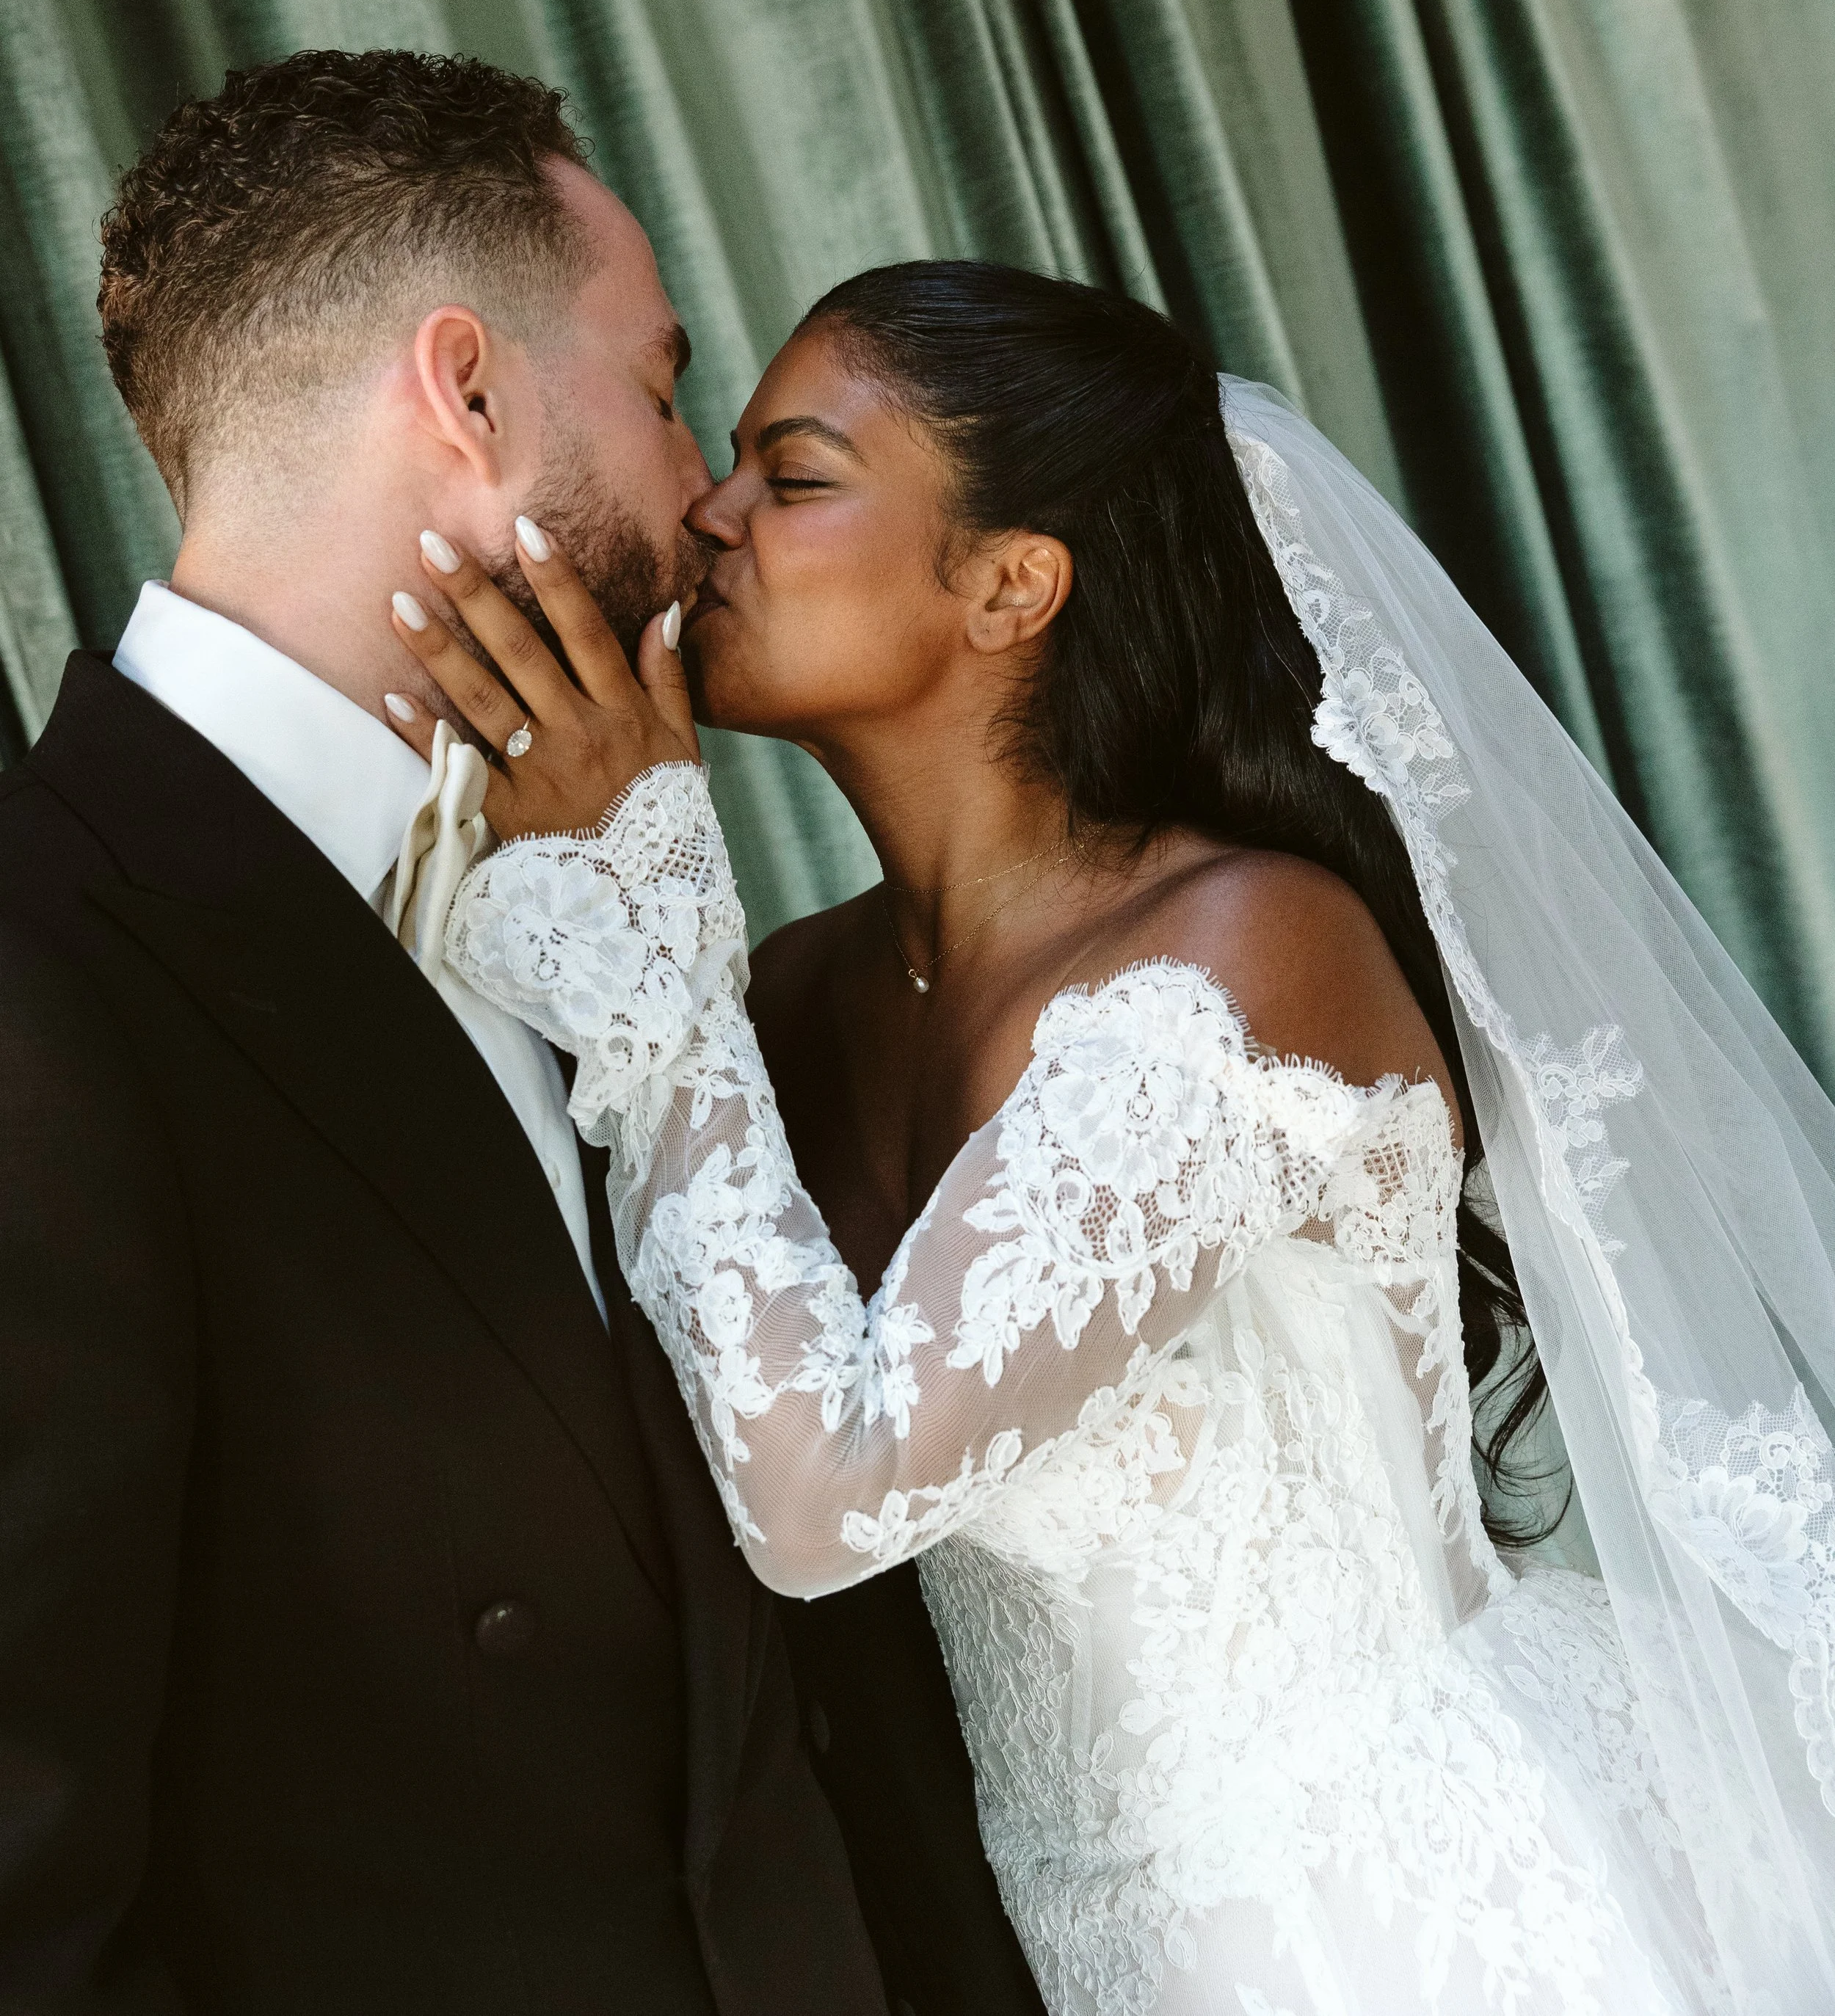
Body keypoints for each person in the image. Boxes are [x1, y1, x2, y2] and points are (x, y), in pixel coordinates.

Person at [387, 260, 1835, 2013]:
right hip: (1085, 1958)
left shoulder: (1241, 955)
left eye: (796, 474)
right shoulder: (780, 999)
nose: (708, 513)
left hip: (1421, 1913)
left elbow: (822, 1497)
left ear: (1010, 584)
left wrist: (649, 910)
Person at [0, 60, 1043, 2016]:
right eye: (657, 391)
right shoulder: (43, 978)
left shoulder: (600, 865)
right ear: (466, 394)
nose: (698, 493)